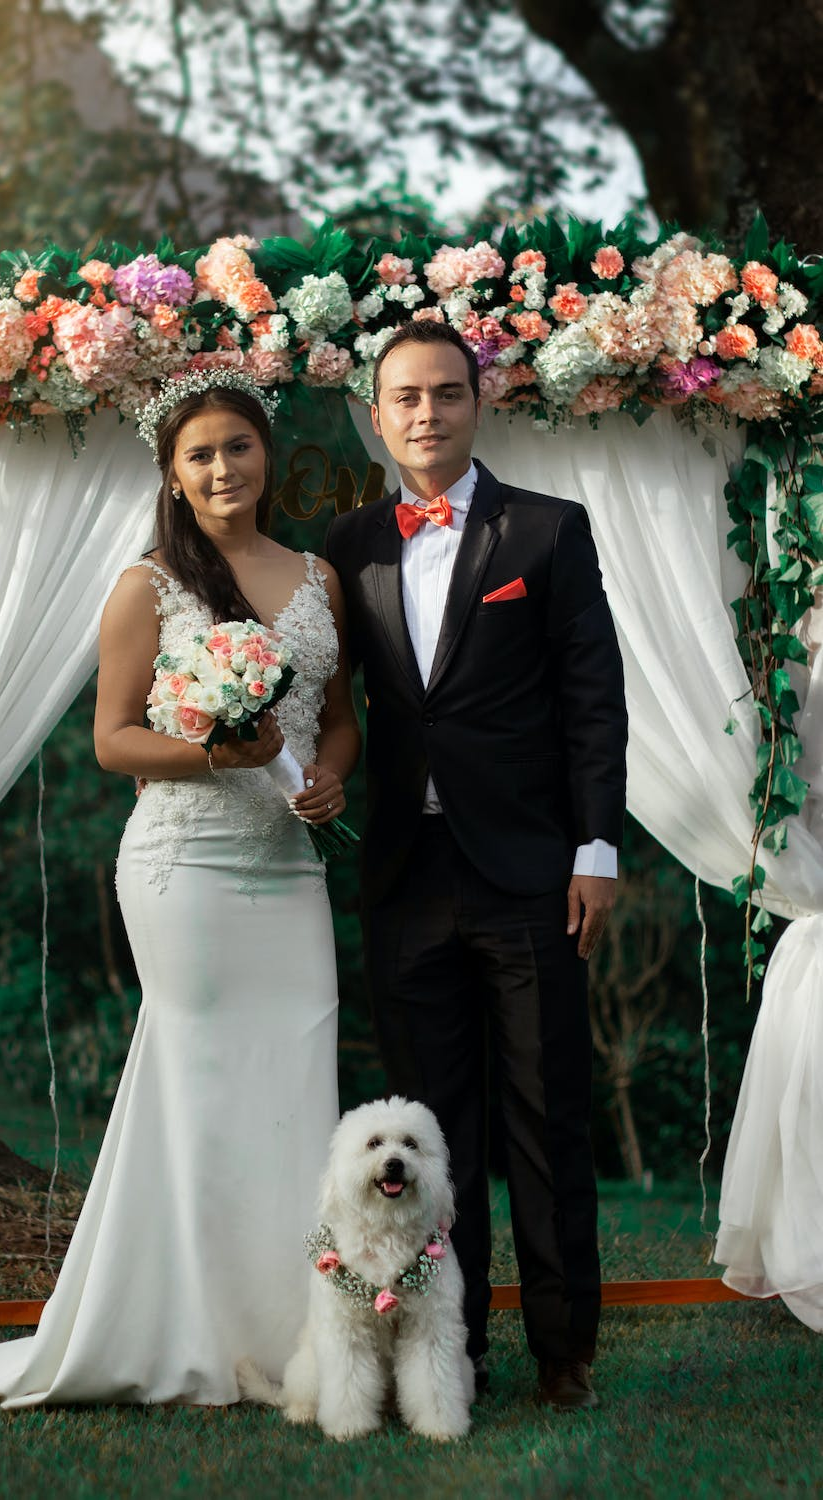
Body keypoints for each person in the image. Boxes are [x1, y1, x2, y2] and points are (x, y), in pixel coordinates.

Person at [0, 369, 360, 1409]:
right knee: (198, 1082)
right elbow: (113, 740)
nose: (222, 468)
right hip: (185, 866)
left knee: (297, 1075)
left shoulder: (317, 576)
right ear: (172, 474)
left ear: (267, 455)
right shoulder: (147, 584)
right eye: (200, 455)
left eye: (238, 448)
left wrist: (333, 773)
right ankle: (181, 1324)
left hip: (286, 867)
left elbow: (338, 712)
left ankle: (295, 1329)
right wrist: (217, 756)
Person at [326, 320, 627, 1412]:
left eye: (444, 393)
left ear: (476, 402)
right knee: (428, 1138)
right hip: (406, 874)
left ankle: (563, 1352)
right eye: (403, 397)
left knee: (548, 1118)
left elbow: (593, 701)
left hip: (531, 874)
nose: (425, 413)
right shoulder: (347, 542)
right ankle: (455, 1351)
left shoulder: (547, 533)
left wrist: (594, 851)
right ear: (375, 414)